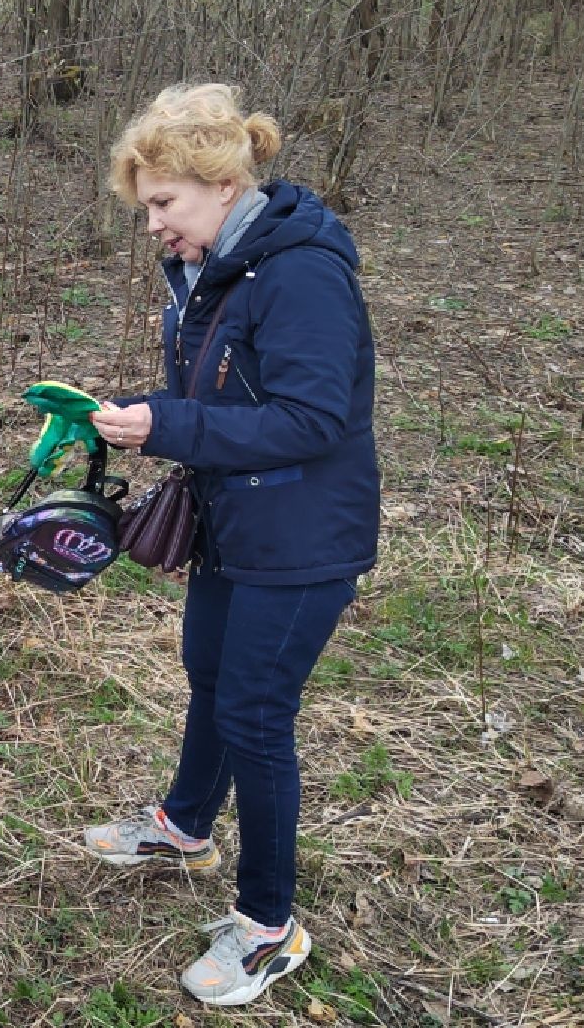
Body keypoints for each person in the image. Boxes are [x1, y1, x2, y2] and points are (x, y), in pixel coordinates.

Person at [81, 83, 380, 1007]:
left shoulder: (300, 271)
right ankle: (185, 825)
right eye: (147, 208)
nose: (154, 226)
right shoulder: (220, 270)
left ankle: (268, 926)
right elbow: (229, 393)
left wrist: (167, 424)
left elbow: (315, 416)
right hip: (238, 525)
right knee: (209, 673)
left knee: (254, 713)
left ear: (218, 182)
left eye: (163, 204)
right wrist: (142, 415)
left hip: (302, 538)